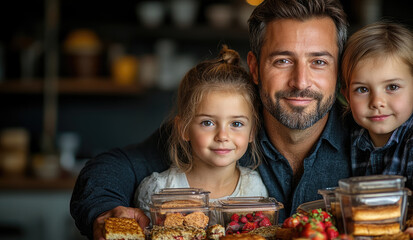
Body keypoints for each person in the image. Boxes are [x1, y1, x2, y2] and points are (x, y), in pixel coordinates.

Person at [70, 0, 352, 239]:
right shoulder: (219, 128)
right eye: (283, 61)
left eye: (319, 62)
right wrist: (106, 211)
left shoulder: (367, 138)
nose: (300, 81)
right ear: (254, 67)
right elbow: (112, 167)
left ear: (338, 70)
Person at [134, 45, 268, 220]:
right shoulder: (158, 189)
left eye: (236, 123)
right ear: (184, 129)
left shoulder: (254, 189)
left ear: (252, 132)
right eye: (208, 122)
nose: (222, 136)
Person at [340, 21, 413, 188]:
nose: (377, 102)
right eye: (362, 89)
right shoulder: (348, 135)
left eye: (392, 87)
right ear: (347, 96)